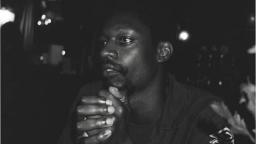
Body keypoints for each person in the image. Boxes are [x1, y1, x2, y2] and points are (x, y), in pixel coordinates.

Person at [59, 2, 234, 144]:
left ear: (161, 52)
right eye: (103, 42)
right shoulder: (90, 96)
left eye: (124, 40)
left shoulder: (205, 115)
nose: (105, 52)